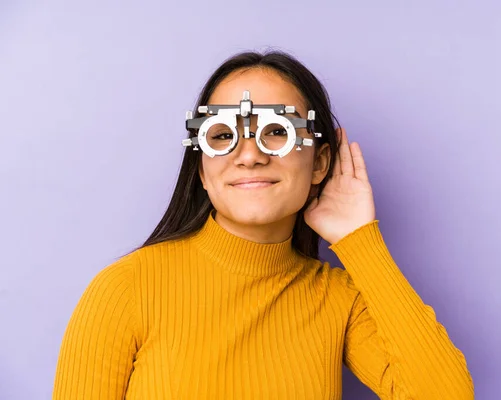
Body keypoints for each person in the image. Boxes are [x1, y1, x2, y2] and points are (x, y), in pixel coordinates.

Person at [52, 50, 474, 399]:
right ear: (202, 169)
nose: (249, 154)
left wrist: (359, 241)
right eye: (222, 136)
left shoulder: (338, 298)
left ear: (320, 163)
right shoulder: (126, 288)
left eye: (277, 131)